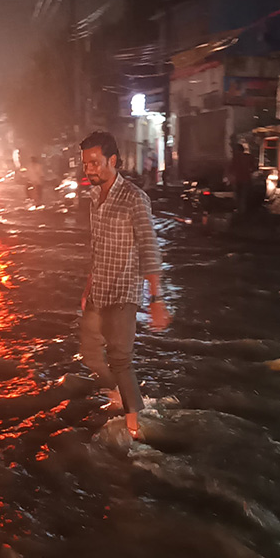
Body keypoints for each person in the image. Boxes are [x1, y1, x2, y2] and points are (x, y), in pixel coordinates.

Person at [78, 130, 170, 439]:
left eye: (94, 163)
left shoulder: (134, 198)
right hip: (98, 290)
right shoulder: (94, 197)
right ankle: (120, 390)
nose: (88, 170)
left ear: (112, 160)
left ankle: (134, 429)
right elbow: (96, 246)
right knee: (90, 354)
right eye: (85, 164)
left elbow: (149, 246)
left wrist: (157, 298)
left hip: (122, 292)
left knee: (120, 358)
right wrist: (88, 284)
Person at [228, 142, 257, 216]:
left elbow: (230, 169)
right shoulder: (249, 157)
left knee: (239, 196)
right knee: (244, 196)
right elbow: (254, 168)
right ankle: (243, 213)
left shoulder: (235, 159)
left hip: (239, 180)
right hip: (246, 180)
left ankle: (240, 212)